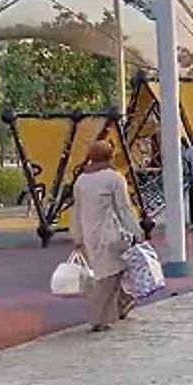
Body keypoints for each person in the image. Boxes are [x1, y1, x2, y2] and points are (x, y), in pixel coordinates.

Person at [71, 140, 143, 332]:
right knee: (110, 276)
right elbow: (124, 209)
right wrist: (136, 231)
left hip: (89, 234)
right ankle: (99, 318)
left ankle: (124, 301)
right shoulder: (114, 178)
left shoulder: (81, 180)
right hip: (110, 234)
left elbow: (77, 211)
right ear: (110, 156)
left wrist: (77, 236)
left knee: (107, 271)